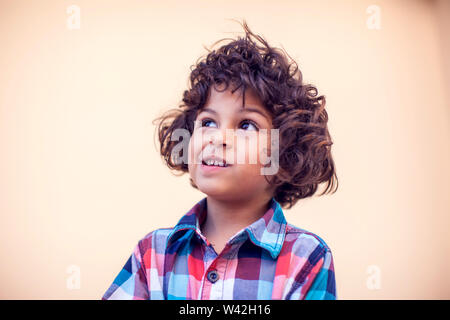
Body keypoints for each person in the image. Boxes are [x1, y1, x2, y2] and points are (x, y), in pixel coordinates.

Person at [102, 20, 339, 300]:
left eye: (246, 125)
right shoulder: (152, 254)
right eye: (208, 122)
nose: (217, 138)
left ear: (283, 157)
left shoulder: (307, 258)